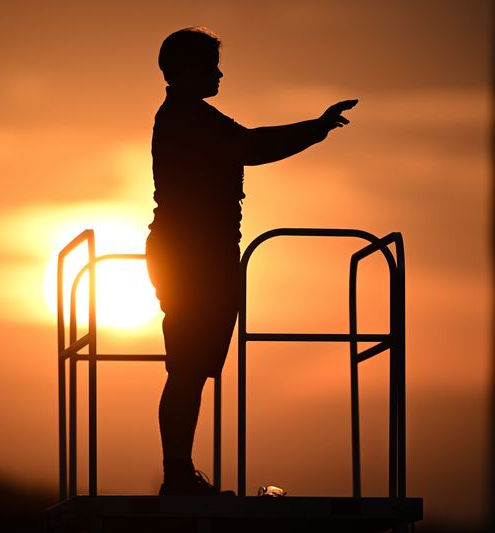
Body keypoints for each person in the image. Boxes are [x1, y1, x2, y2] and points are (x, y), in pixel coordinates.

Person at [146, 26, 357, 496]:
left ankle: (179, 474)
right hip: (192, 257)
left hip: (201, 255)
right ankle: (177, 475)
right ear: (185, 71)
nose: (219, 73)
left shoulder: (189, 116)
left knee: (192, 367)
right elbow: (253, 146)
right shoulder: (188, 118)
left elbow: (247, 145)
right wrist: (318, 128)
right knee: (187, 367)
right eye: (210, 65)